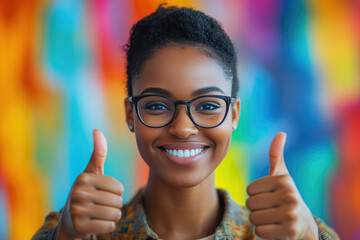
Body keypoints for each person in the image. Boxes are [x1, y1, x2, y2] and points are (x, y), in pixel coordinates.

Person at [32, 4, 339, 240]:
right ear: (130, 114)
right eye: (156, 105)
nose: (182, 128)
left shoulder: (295, 233)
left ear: (234, 115)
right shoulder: (73, 230)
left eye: (207, 105)